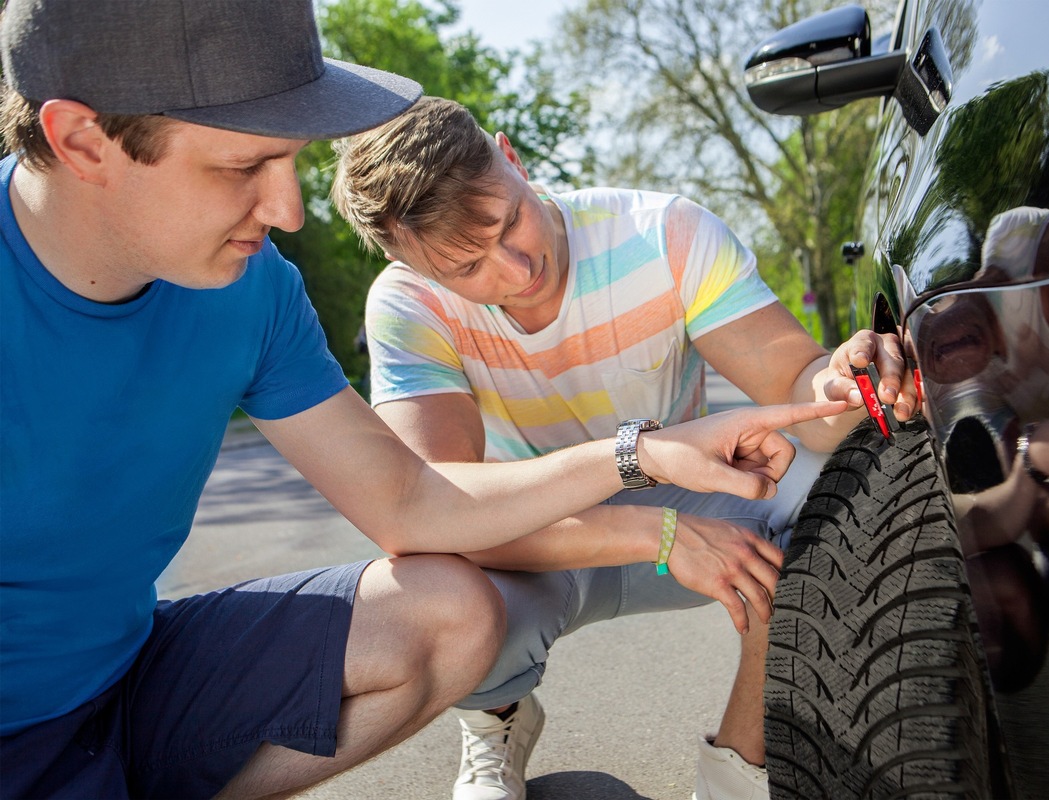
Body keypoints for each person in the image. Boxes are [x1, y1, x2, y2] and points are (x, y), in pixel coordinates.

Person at [0, 4, 849, 798]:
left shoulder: (252, 289)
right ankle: (501, 721)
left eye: (290, 161)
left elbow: (410, 501)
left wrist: (647, 454)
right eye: (247, 165)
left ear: (513, 161)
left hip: (125, 676)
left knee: (444, 609)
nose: (289, 211)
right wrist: (651, 511)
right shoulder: (389, 304)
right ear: (82, 140)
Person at [330, 96, 915, 800]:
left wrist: (840, 381)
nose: (516, 270)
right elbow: (437, 506)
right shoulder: (406, 305)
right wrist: (659, 532)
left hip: (692, 499)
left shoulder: (665, 234)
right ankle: (498, 718)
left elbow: (799, 391)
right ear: (420, 271)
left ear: (512, 158)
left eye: (509, 219)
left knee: (832, 480)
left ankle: (738, 768)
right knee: (427, 575)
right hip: (534, 536)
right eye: (468, 267)